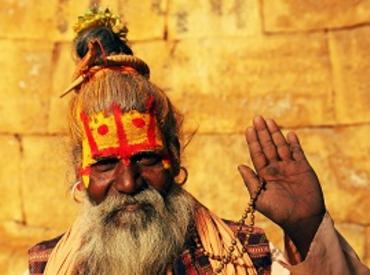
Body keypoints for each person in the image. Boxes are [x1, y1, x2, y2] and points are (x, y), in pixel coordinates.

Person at [27, 8, 369, 275]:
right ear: (80, 171)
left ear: (174, 158)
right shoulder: (46, 264)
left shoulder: (246, 256)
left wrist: (307, 230)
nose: (129, 183)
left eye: (146, 158)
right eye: (105, 163)